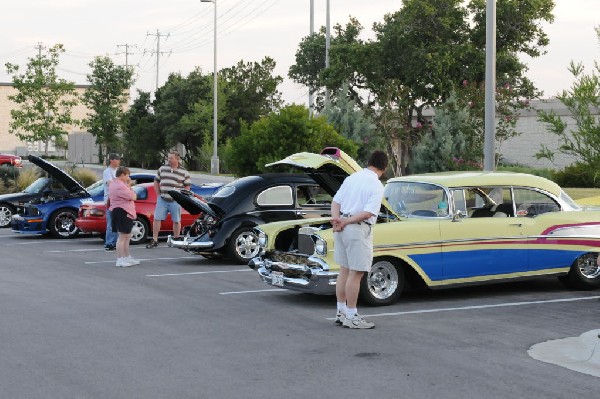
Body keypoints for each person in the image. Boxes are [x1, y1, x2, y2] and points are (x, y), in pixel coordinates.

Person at [331, 150, 388, 329]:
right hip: (357, 229)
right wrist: (346, 221)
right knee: (356, 274)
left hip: (341, 228)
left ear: (368, 162)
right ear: (384, 168)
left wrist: (337, 220)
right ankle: (352, 315)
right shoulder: (377, 185)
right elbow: (369, 212)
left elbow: (335, 201)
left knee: (344, 270)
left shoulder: (352, 178)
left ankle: (341, 312)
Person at [146, 150, 191, 248]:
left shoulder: (184, 172)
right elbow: (156, 182)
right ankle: (154, 239)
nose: (169, 160)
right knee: (157, 219)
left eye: (171, 158)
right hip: (162, 199)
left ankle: (176, 238)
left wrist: (183, 198)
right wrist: (158, 195)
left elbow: (187, 187)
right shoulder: (162, 169)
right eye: (168, 158)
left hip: (175, 200)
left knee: (176, 220)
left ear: (177, 159)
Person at [109, 166, 139, 267]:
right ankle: (120, 259)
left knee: (127, 236)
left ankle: (126, 256)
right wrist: (129, 187)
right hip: (122, 211)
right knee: (122, 236)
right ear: (122, 175)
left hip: (124, 211)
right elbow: (133, 196)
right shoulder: (119, 186)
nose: (128, 177)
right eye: (127, 175)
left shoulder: (117, 184)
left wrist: (128, 185)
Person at [102, 153, 121, 251]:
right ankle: (109, 243)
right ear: (111, 160)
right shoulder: (107, 172)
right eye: (117, 159)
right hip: (110, 200)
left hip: (119, 200)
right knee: (111, 223)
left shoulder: (119, 171)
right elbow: (110, 184)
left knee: (118, 222)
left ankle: (116, 242)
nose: (119, 161)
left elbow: (127, 180)